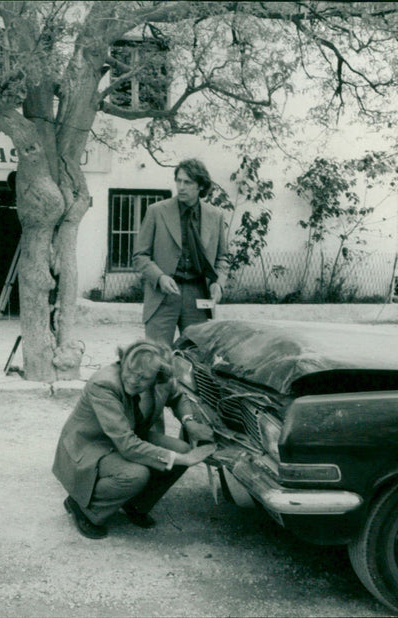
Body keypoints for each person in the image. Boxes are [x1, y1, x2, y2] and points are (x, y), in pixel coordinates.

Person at [52, 340, 216, 539]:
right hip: (91, 445)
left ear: (157, 377)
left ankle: (135, 504)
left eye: (142, 378)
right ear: (124, 360)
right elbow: (127, 445)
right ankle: (84, 508)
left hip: (128, 435)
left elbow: (178, 397)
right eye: (129, 370)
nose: (132, 379)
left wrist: (189, 422)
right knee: (135, 474)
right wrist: (185, 460)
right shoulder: (104, 384)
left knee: (181, 449)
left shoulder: (162, 380)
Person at [132, 158, 230, 344]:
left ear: (201, 186)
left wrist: (218, 282)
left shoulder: (215, 216)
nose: (181, 187)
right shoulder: (157, 211)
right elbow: (140, 255)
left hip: (198, 297)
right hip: (163, 296)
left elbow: (222, 258)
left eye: (188, 182)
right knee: (156, 359)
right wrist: (159, 277)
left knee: (195, 358)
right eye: (179, 181)